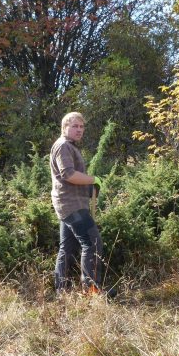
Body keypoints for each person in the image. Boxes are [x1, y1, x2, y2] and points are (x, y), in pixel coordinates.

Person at [49, 111, 103, 295]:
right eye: (74, 126)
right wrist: (93, 179)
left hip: (69, 203)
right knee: (93, 243)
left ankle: (61, 292)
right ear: (65, 128)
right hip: (72, 206)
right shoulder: (64, 146)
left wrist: (90, 185)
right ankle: (92, 291)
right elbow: (69, 175)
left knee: (68, 247)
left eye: (81, 126)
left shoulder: (69, 146)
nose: (79, 130)